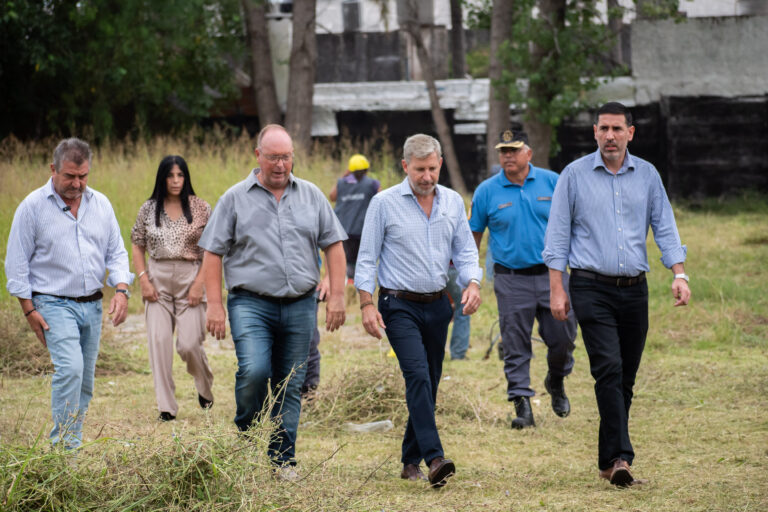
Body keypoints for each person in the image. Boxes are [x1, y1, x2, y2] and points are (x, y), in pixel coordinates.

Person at [543, 102, 691, 486]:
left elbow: (665, 227)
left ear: (630, 133)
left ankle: (607, 461)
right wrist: (557, 289)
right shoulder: (574, 176)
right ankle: (622, 458)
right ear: (595, 132)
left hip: (635, 290)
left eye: (617, 129)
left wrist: (679, 274)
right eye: (604, 129)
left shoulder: (648, 175)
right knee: (607, 368)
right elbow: (556, 237)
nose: (610, 136)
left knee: (625, 376)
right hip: (590, 286)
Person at [198, 124, 347, 480]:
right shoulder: (234, 199)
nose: (280, 165)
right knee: (254, 371)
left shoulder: (311, 196)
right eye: (273, 157)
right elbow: (213, 253)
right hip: (251, 303)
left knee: (290, 382)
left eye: (286, 157)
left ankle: (282, 460)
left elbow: (334, 245)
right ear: (258, 156)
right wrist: (215, 305)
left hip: (301, 304)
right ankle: (246, 443)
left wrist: (338, 297)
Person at [355, 133, 482, 488]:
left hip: (438, 305)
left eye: (432, 169)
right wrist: (366, 304)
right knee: (418, 376)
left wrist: (473, 283)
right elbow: (366, 258)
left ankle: (409, 461)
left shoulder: (452, 201)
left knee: (430, 381)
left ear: (440, 164)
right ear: (405, 166)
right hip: (397, 305)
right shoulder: (384, 203)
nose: (426, 176)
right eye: (419, 170)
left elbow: (466, 251)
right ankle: (435, 458)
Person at [5, 137, 133, 449]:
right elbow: (16, 263)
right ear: (53, 169)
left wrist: (121, 290)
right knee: (71, 369)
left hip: (93, 305)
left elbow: (116, 253)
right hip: (52, 303)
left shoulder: (101, 205)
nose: (77, 183)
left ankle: (70, 444)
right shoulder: (32, 207)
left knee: (85, 381)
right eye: (70, 176)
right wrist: (28, 310)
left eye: (83, 176)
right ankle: (63, 450)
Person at [470, 130, 578, 429]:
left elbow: (576, 224)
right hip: (511, 279)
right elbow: (473, 238)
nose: (508, 156)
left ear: (528, 153)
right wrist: (471, 278)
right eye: (503, 151)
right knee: (515, 342)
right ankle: (522, 405)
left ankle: (556, 380)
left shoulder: (553, 182)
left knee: (563, 337)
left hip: (552, 276)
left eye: (514, 150)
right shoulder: (486, 191)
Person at [130, 155, 214, 422]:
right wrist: (143, 279)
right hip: (158, 278)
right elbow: (137, 244)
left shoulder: (201, 207)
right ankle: (166, 407)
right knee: (159, 342)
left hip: (191, 276)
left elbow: (211, 249)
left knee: (189, 345)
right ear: (162, 178)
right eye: (170, 176)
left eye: (180, 175)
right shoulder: (148, 208)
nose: (176, 181)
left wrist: (199, 283)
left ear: (186, 178)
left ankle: (205, 385)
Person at [329, 154, 381, 281]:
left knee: (346, 260)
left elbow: (332, 197)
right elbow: (382, 199)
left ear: (350, 170)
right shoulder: (372, 184)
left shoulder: (342, 183)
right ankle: (358, 283)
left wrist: (344, 176)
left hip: (343, 230)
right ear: (366, 170)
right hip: (362, 230)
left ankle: (349, 282)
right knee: (362, 260)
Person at [445, 263, 471, 360]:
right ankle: (458, 353)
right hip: (455, 268)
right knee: (463, 311)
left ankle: (430, 351)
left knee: (432, 310)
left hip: (435, 269)